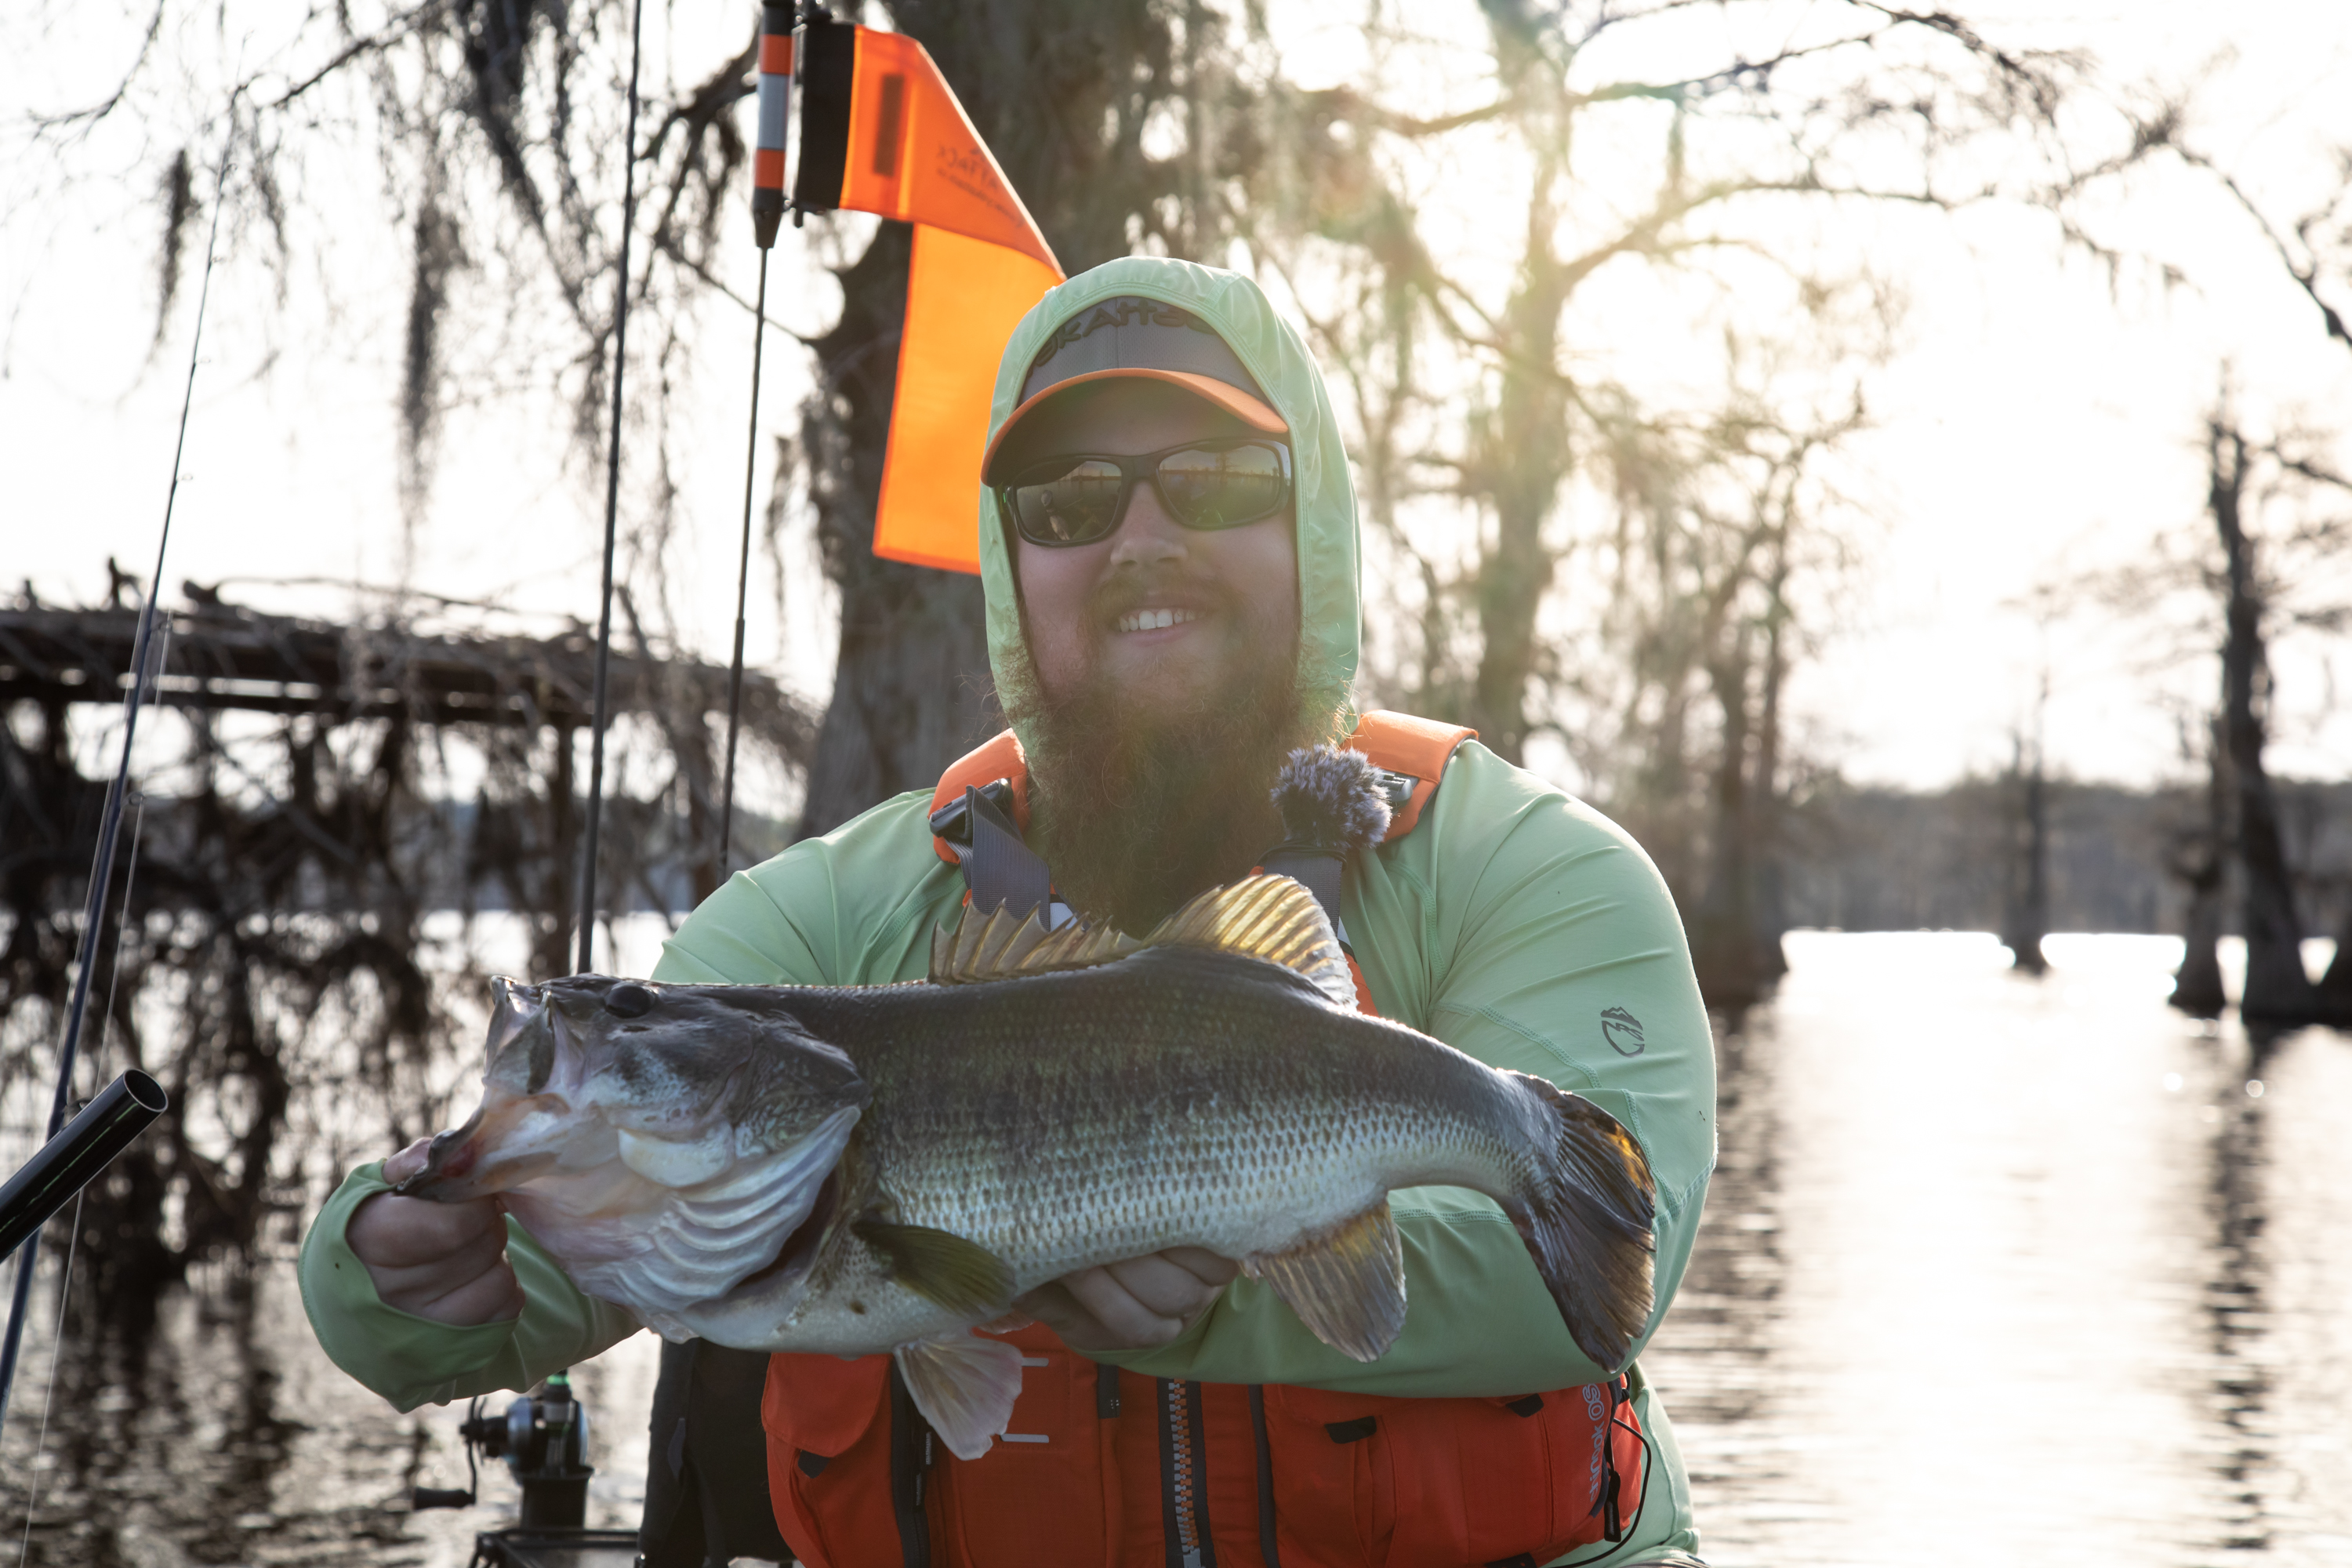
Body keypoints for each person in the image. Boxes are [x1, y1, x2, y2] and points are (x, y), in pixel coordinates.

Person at [300, 255, 1717, 1567]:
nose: (1141, 539)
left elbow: (1597, 1260)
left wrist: (1221, 1286)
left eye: (1217, 479)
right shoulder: (808, 929)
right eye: (1068, 502)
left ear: (1315, 529)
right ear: (1010, 561)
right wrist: (381, 1265)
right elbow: (538, 1281)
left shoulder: (1537, 873)